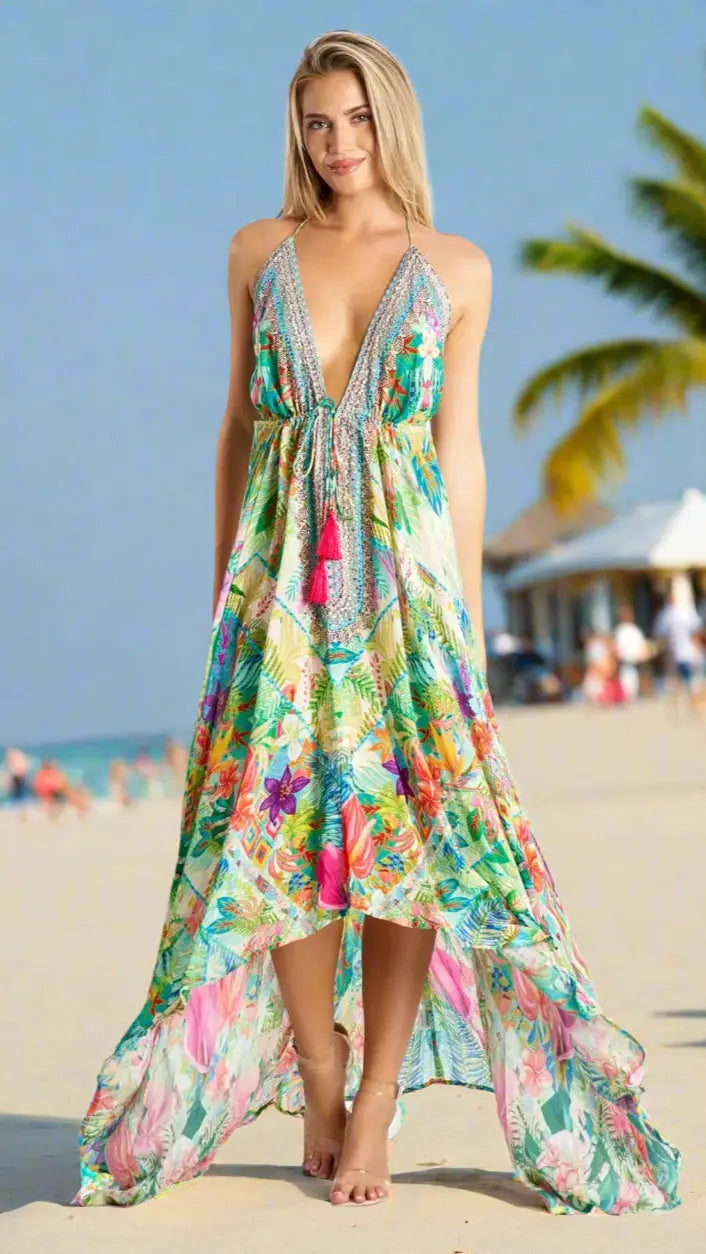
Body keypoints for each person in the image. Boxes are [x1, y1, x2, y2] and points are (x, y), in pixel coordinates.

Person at [73, 31, 680, 1216]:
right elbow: (240, 429)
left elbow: (458, 448)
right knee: (277, 835)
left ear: (389, 121)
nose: (337, 145)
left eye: (354, 119)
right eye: (316, 124)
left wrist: (460, 615)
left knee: (406, 842)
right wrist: (222, 584)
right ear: (295, 133)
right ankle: (319, 1064)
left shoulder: (456, 270)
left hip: (407, 590)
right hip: (279, 589)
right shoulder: (259, 252)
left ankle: (381, 1094)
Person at [654, 589, 705, 712]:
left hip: (675, 652)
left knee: (681, 680)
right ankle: (692, 703)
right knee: (692, 679)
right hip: (687, 652)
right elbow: (697, 632)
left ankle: (684, 704)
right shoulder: (687, 612)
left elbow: (661, 634)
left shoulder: (667, 615)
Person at [613, 604, 649, 701]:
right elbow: (644, 650)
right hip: (632, 665)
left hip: (627, 665)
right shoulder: (635, 630)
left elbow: (616, 650)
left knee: (627, 693)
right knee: (632, 693)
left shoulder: (620, 631)